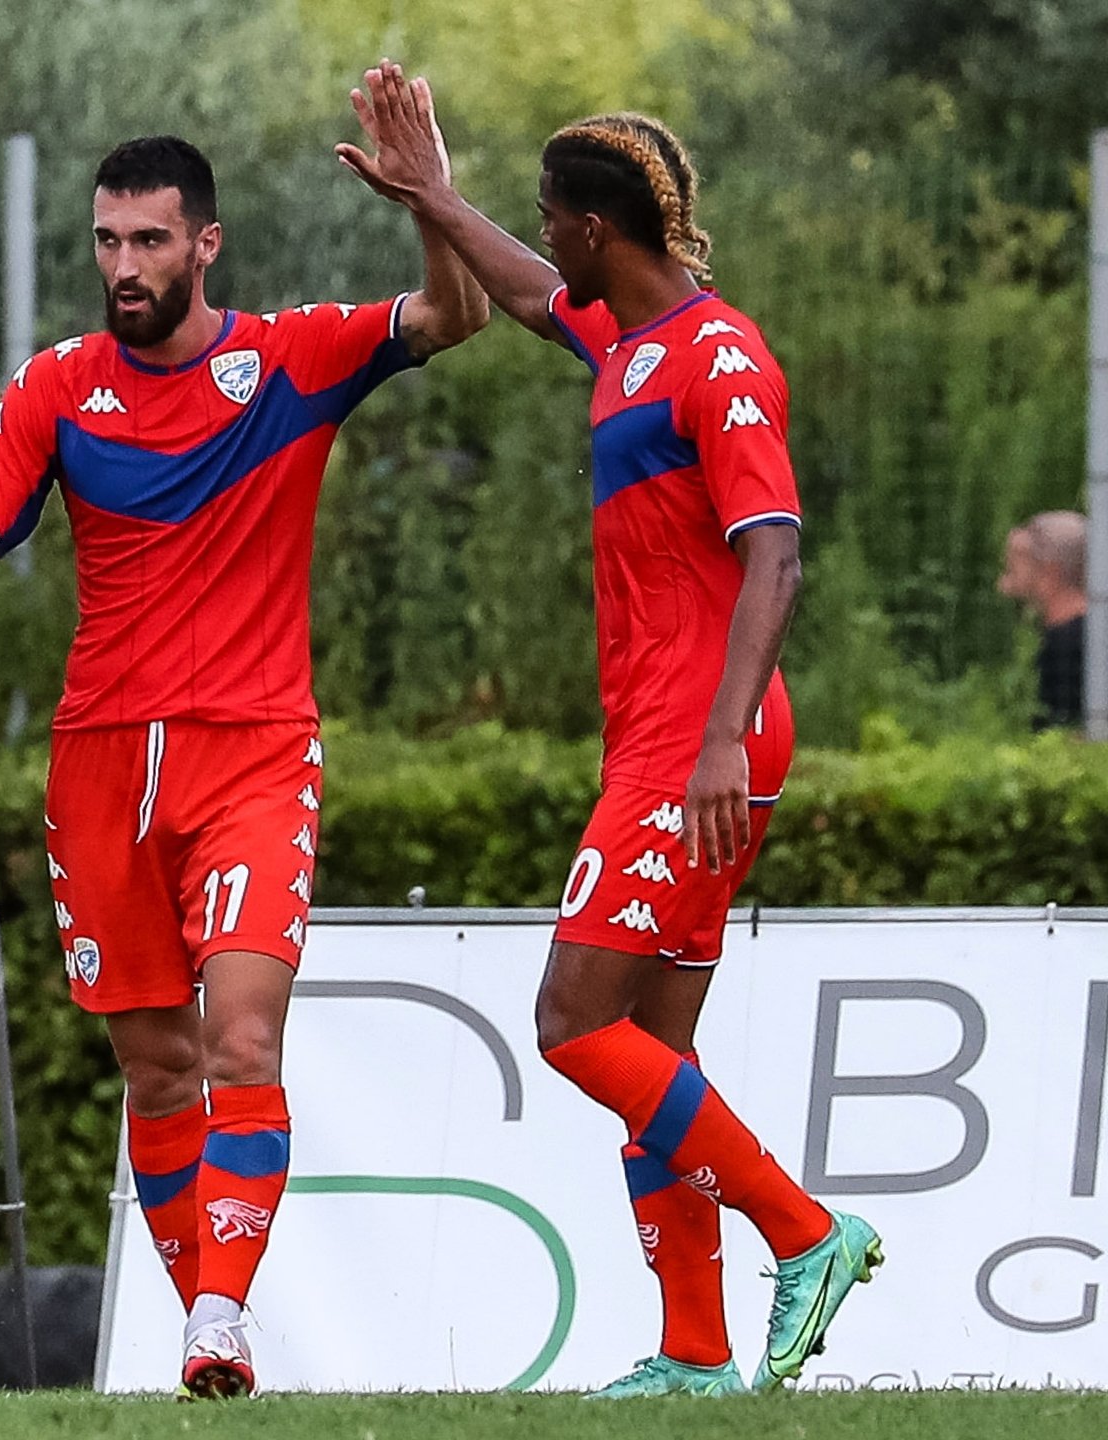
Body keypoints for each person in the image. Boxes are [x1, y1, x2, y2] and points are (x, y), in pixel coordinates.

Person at [0, 129, 487, 1399]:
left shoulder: (291, 358)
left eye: (150, 240)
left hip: (254, 754)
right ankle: (209, 1332)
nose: (125, 265)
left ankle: (216, 1316)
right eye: (107, 240)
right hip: (101, 765)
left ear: (206, 244)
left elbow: (455, 312)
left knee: (241, 1041)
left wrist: (430, 199)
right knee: (156, 1068)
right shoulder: (57, 387)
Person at [338, 66, 881, 1396]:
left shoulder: (720, 358)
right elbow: (533, 296)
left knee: (575, 1022)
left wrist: (719, 741)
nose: (545, 236)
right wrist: (432, 197)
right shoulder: (627, 340)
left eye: (549, 215)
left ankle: (807, 1233)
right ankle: (695, 1353)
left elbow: (776, 557)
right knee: (656, 1057)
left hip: (698, 745)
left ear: (596, 227)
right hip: (671, 738)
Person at [997, 510, 1087, 730]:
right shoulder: (1081, 633)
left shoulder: (1068, 644)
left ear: (1050, 572)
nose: (1003, 583)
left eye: (1015, 565)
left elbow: (1062, 729)